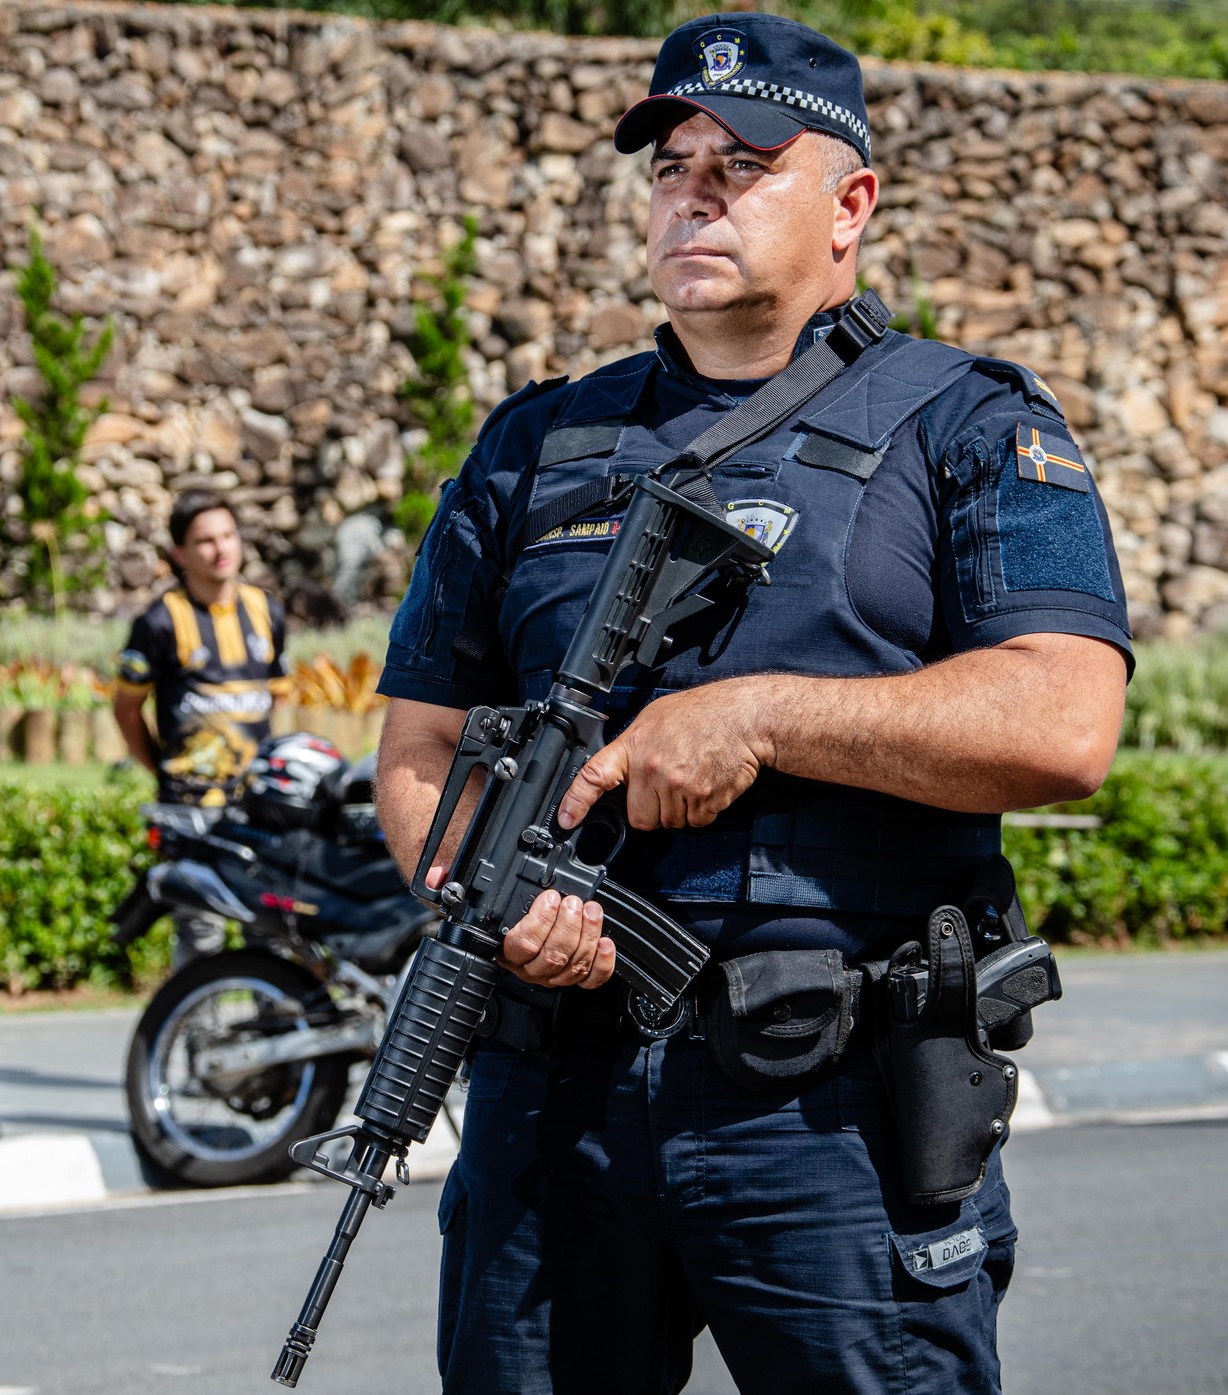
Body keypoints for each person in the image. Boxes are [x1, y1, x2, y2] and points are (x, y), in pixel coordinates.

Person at [375, 14, 1131, 1393]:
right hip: (558, 1100)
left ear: (850, 206)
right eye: (672, 162)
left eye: (746, 160)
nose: (695, 188)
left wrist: (764, 715)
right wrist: (485, 895)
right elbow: (424, 745)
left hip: (833, 1103)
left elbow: (1063, 721)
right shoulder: (537, 443)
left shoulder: (963, 424)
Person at [113, 490, 289, 966]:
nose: (221, 549)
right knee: (200, 940)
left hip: (257, 810)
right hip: (191, 812)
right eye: (205, 540)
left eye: (228, 535)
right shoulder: (157, 622)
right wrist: (161, 771)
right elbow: (126, 710)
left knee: (270, 936)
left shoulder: (267, 611)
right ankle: (187, 1038)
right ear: (179, 554)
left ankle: (273, 1033)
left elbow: (277, 693)